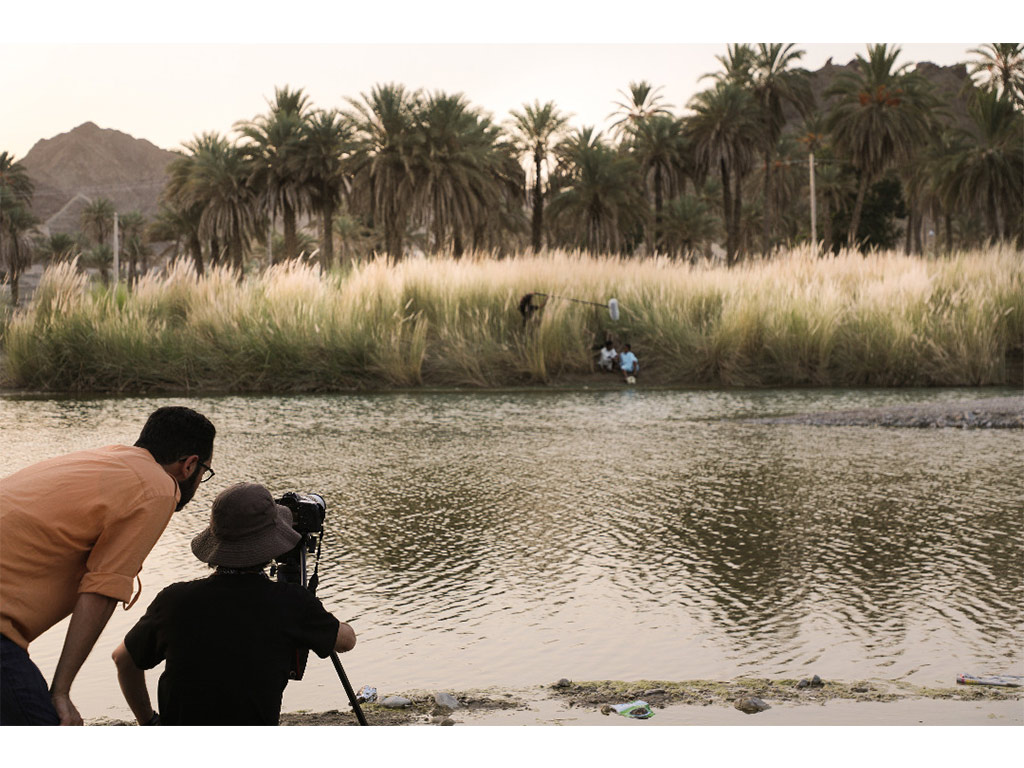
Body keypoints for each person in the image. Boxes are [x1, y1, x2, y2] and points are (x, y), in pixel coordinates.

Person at [0, 406, 216, 726]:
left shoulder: (108, 459)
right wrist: (61, 691)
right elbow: (103, 588)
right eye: (205, 472)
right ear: (190, 465)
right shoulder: (158, 487)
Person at [112, 483, 356, 726]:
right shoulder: (291, 603)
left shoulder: (173, 600)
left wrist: (149, 721)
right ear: (272, 542)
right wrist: (311, 608)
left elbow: (123, 659)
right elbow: (347, 641)